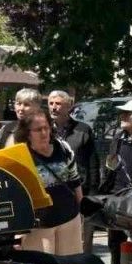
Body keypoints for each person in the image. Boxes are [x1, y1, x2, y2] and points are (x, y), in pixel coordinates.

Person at [17, 107, 84, 254]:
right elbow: (17, 195)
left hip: (69, 218)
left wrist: (82, 211)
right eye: (38, 130)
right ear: (27, 133)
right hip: (39, 225)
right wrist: (18, 231)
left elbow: (75, 181)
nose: (44, 133)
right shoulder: (21, 155)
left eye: (46, 128)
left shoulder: (63, 148)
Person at [49, 89, 99, 252]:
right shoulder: (44, 130)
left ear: (69, 106)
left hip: (79, 191)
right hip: (54, 193)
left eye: (58, 103)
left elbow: (93, 163)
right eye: (51, 103)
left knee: (82, 240)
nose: (54, 107)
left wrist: (92, 193)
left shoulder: (83, 130)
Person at [102, 99, 132, 264]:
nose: (122, 117)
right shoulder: (118, 137)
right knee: (115, 239)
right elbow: (111, 164)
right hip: (118, 193)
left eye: (127, 114)